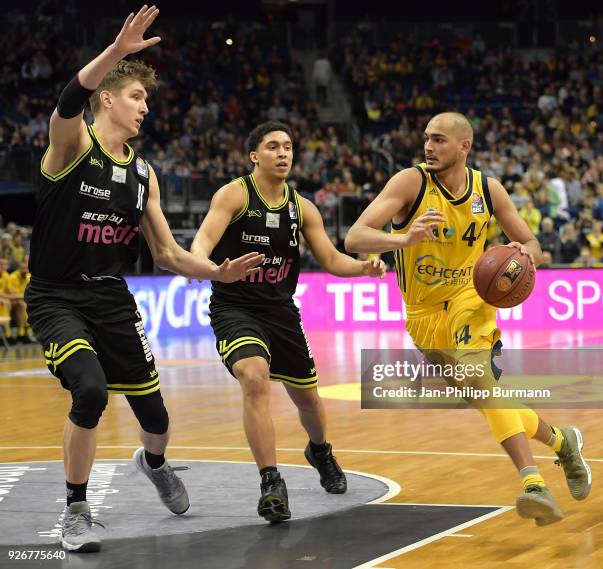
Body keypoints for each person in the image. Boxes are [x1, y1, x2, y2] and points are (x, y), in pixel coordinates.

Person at [24, 6, 263, 553]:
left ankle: (153, 464)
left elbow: (168, 254)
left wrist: (217, 271)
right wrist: (118, 53)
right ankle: (76, 510)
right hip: (56, 295)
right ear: (107, 99)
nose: (145, 109)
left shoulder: (143, 174)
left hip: (111, 298)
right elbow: (66, 99)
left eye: (147, 101)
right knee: (89, 390)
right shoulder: (72, 146)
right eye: (137, 97)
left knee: (155, 417)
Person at [345, 112, 591, 526]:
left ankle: (533, 484)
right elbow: (355, 236)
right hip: (422, 313)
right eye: (426, 138)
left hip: (471, 300)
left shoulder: (487, 189)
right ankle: (563, 441)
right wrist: (401, 239)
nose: (428, 147)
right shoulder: (410, 182)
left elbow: (534, 244)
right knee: (483, 395)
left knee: (478, 376)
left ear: (464, 147)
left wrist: (524, 253)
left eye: (439, 140)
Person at [191, 120, 385, 523]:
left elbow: (331, 260)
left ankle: (320, 451)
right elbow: (203, 241)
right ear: (254, 155)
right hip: (234, 308)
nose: (283, 153)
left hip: (280, 311)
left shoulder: (302, 206)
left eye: (288, 147)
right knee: (255, 378)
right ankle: (270, 482)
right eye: (274, 146)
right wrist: (203, 265)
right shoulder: (234, 195)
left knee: (308, 400)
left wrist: (365, 268)